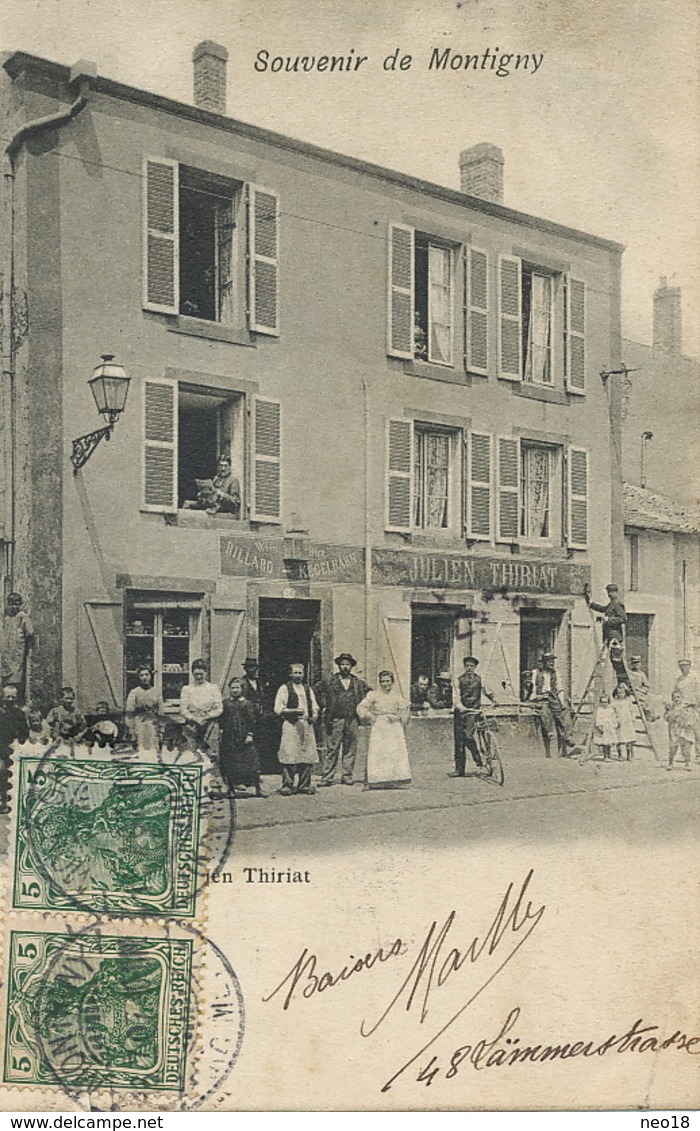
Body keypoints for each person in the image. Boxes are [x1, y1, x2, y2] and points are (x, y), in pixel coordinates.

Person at [319, 653, 369, 787]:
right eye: (342, 664)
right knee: (332, 748)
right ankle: (327, 777)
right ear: (338, 665)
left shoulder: (358, 683)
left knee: (350, 748)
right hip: (336, 719)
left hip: (352, 719)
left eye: (347, 664)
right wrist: (323, 705)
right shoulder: (330, 681)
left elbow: (371, 695)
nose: (345, 667)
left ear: (351, 666)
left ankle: (347, 776)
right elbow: (315, 691)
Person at [357, 671, 411, 789]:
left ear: (392, 682)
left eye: (388, 681)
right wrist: (370, 716)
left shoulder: (397, 696)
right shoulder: (374, 694)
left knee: (393, 752)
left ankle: (392, 779)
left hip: (394, 727)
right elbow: (361, 707)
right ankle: (376, 779)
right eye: (382, 681)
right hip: (380, 726)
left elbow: (404, 712)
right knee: (379, 752)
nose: (385, 684)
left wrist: (397, 717)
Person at [273, 663, 319, 796]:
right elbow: (278, 708)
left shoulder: (307, 689)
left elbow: (315, 706)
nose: (298, 676)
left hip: (306, 725)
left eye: (300, 673)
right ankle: (287, 784)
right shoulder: (284, 688)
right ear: (290, 674)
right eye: (295, 673)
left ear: (304, 674)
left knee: (307, 755)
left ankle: (304, 785)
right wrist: (293, 711)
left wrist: (314, 715)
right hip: (291, 725)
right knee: (289, 754)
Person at [451, 656, 497, 776]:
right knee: (459, 741)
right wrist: (460, 707)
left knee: (467, 735)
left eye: (472, 666)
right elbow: (456, 697)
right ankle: (459, 770)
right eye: (467, 666)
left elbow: (487, 691)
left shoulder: (480, 680)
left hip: (473, 712)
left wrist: (493, 699)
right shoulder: (458, 680)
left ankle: (478, 759)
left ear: (475, 667)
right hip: (461, 713)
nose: (469, 668)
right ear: (464, 667)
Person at [527, 652, 578, 759]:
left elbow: (559, 689)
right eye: (549, 661)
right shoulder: (536, 673)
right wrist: (535, 697)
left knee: (564, 712)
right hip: (540, 697)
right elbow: (532, 689)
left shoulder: (555, 673)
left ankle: (568, 736)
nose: (551, 663)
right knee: (544, 711)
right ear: (543, 662)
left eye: (552, 661)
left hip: (553, 697)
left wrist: (562, 702)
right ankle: (549, 732)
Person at [219, 678, 265, 798]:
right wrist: (222, 732)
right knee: (230, 764)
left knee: (252, 763)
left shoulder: (248, 704)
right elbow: (222, 720)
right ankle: (231, 789)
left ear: (242, 689)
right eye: (232, 688)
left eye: (237, 688)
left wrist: (250, 735)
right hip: (229, 738)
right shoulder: (225, 704)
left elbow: (254, 722)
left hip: (244, 737)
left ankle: (258, 789)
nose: (235, 690)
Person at [179, 660, 223, 752]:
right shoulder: (187, 689)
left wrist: (207, 717)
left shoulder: (213, 688)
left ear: (206, 672)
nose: (198, 677)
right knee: (191, 754)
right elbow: (183, 710)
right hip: (192, 725)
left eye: (201, 674)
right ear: (192, 673)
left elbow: (219, 709)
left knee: (210, 754)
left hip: (209, 725)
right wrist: (195, 718)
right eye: (196, 674)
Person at [0, 592, 34, 703]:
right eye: (11, 604)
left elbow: (30, 632)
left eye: (16, 604)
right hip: (5, 652)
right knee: (4, 676)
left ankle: (14, 701)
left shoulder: (22, 616)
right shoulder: (5, 616)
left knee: (15, 678)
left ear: (20, 604)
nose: (14, 607)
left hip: (17, 653)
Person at [0, 683, 29, 812]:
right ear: (2, 697)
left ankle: (12, 804)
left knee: (13, 776)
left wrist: (19, 742)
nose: (11, 700)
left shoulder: (19, 714)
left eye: (13, 697)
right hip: (1, 748)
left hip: (14, 749)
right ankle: (3, 802)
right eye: (8, 697)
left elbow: (24, 732)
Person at [125, 667, 164, 750]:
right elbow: (129, 713)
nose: (144, 677)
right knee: (141, 748)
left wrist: (162, 730)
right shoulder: (134, 692)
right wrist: (131, 731)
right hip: (139, 722)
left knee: (153, 748)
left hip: (153, 722)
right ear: (138, 678)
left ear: (151, 676)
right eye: (141, 675)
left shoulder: (156, 692)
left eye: (147, 674)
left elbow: (161, 712)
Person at [673, 659, 700, 759]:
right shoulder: (678, 680)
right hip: (682, 708)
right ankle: (684, 754)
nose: (683, 668)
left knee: (697, 732)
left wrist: (698, 704)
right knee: (682, 732)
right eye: (681, 666)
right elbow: (675, 693)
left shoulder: (695, 678)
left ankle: (698, 754)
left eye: (685, 666)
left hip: (694, 707)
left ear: (689, 666)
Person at [665, 689, 694, 772]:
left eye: (678, 697)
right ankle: (670, 762)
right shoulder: (671, 708)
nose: (676, 699)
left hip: (685, 729)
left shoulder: (685, 707)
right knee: (673, 747)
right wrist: (670, 713)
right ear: (672, 699)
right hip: (674, 729)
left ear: (682, 698)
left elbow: (690, 717)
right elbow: (666, 718)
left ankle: (687, 763)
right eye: (674, 698)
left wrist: (686, 720)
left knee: (686, 746)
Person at [627, 655, 656, 720]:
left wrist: (641, 690)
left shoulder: (642, 674)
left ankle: (648, 714)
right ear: (632, 664)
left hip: (639, 692)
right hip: (631, 693)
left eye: (638, 662)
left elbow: (647, 686)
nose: (636, 664)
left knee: (651, 698)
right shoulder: (629, 673)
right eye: (634, 663)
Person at [612, 683, 636, 760]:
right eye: (619, 693)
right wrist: (615, 719)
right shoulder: (615, 702)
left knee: (628, 738)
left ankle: (629, 755)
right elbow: (613, 711)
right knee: (618, 738)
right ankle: (620, 754)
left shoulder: (628, 701)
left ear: (626, 693)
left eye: (622, 693)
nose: (621, 695)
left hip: (627, 720)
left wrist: (632, 718)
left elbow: (631, 710)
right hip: (619, 720)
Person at [594, 693, 618, 761]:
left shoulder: (610, 709)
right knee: (605, 743)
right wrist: (599, 726)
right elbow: (598, 718)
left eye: (605, 702)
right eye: (602, 702)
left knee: (609, 742)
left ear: (608, 702)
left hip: (609, 727)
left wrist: (615, 724)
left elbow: (613, 717)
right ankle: (605, 756)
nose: (604, 704)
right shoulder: (600, 709)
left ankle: (609, 756)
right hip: (603, 727)